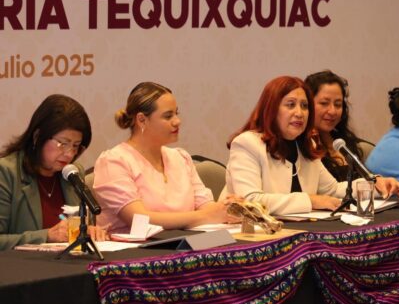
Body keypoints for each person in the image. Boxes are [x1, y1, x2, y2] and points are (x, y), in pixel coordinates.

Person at [225, 76, 399, 216]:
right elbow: (249, 201)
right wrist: (311, 201)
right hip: (251, 237)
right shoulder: (247, 143)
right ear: (271, 109)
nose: (300, 113)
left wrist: (375, 185)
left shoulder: (305, 145)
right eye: (290, 105)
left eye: (304, 106)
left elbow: (333, 190)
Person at [93, 82, 238, 233]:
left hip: (182, 243)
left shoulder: (181, 158)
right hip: (135, 247)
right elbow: (139, 219)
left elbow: (206, 207)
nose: (177, 121)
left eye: (176, 113)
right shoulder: (114, 161)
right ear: (142, 120)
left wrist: (228, 209)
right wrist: (205, 216)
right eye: (168, 116)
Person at [0, 94, 108, 250]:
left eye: (75, 145)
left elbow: (77, 226)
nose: (69, 154)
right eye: (63, 143)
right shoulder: (6, 173)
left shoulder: (72, 174)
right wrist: (46, 236)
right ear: (38, 136)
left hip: (68, 262)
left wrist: (88, 230)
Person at [304, 70, 365, 181]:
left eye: (337, 104)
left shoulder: (343, 142)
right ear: (307, 104)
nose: (332, 111)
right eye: (324, 103)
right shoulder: (303, 147)